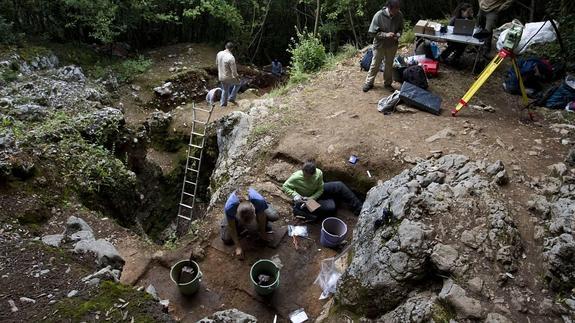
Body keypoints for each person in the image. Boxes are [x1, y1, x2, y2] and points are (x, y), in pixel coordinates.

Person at [282, 159, 363, 220]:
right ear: (302, 170)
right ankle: (305, 209)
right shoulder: (295, 177)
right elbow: (285, 186)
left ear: (313, 173)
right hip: (306, 199)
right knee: (331, 207)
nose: (306, 177)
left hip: (315, 194)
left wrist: (313, 197)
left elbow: (321, 189)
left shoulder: (318, 173)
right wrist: (295, 195)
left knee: (339, 185)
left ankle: (359, 208)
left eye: (309, 176)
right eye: (304, 175)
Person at [220, 188, 279, 258]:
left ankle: (265, 216)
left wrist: (263, 233)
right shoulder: (229, 208)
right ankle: (239, 226)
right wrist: (238, 246)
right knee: (226, 239)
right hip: (232, 213)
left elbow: (261, 216)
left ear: (255, 210)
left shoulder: (259, 201)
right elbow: (231, 227)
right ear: (236, 215)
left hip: (257, 204)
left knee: (273, 216)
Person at [363, 0, 404, 93]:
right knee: (375, 64)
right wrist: (385, 35)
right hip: (380, 45)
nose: (397, 11)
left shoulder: (399, 15)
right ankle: (369, 83)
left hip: (392, 45)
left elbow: (401, 29)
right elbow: (372, 32)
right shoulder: (379, 15)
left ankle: (387, 84)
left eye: (398, 9)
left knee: (389, 65)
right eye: (395, 9)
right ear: (389, 8)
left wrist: (397, 34)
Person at [216, 42, 241, 107]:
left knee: (225, 89)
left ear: (225, 47)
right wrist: (238, 78)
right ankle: (231, 98)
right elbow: (234, 72)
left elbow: (216, 63)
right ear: (232, 49)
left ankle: (223, 104)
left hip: (220, 76)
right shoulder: (231, 57)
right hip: (227, 77)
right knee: (238, 84)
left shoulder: (219, 53)